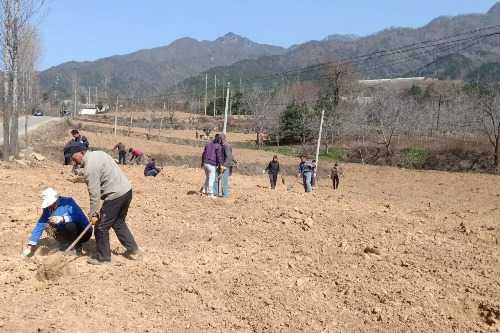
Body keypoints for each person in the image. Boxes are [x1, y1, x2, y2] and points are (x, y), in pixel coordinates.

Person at [67, 142, 141, 265]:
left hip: (115, 196)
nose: (72, 160)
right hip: (126, 191)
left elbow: (94, 194)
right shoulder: (98, 154)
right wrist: (79, 174)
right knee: (118, 222)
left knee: (101, 226)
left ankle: (103, 257)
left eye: (73, 157)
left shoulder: (90, 167)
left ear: (81, 152)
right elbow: (96, 172)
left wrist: (94, 214)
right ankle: (133, 249)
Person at [22, 188, 92, 257]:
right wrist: (31, 245)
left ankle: (77, 248)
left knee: (70, 225)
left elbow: (78, 217)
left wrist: (63, 218)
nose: (49, 206)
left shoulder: (68, 203)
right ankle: (66, 244)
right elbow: (41, 224)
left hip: (83, 232)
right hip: (67, 232)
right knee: (50, 227)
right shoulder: (48, 209)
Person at [214, 133, 234, 198]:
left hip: (226, 166)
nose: (218, 140)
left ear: (221, 139)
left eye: (219, 139)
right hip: (221, 165)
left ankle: (225, 196)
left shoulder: (226, 146)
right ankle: (215, 193)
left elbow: (229, 157)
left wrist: (224, 166)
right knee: (216, 179)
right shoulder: (222, 145)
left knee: (224, 181)